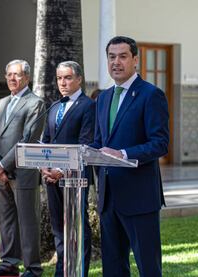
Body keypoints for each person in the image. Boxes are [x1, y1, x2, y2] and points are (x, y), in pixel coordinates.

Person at [90, 36, 169, 276]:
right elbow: (97, 142)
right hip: (108, 196)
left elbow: (160, 144)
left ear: (135, 60)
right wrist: (72, 161)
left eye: (123, 56)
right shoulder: (103, 98)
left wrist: (122, 154)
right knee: (113, 267)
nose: (116, 62)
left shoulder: (150, 95)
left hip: (139, 197)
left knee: (148, 267)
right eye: (111, 57)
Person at [0, 60, 45, 277]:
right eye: (9, 74)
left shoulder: (35, 103)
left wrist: (2, 164)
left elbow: (27, 139)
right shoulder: (2, 102)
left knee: (27, 222)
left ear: (27, 78)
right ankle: (9, 262)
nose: (12, 78)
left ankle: (32, 268)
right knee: (7, 218)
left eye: (17, 75)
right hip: (1, 172)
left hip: (23, 172)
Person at [41, 61, 94, 277]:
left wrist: (61, 170)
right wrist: (44, 167)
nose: (63, 82)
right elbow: (45, 141)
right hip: (51, 178)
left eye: (68, 77)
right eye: (59, 78)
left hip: (75, 177)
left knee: (78, 229)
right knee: (59, 230)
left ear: (79, 79)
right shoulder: (55, 106)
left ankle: (79, 271)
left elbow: (85, 143)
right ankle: (61, 271)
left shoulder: (88, 105)